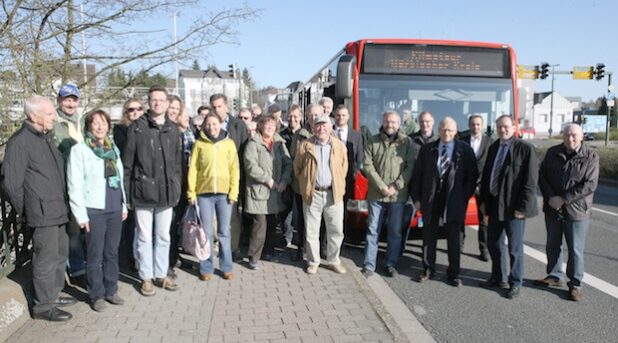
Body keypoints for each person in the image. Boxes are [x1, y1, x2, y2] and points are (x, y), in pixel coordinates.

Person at [2, 95, 76, 321]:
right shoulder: (20, 141)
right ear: (34, 116)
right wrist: (29, 210)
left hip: (58, 209)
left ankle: (52, 294)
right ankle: (43, 306)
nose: (54, 116)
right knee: (45, 259)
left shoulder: (45, 137)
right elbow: (11, 184)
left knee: (60, 254)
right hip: (42, 213)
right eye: (50, 113)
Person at [123, 85, 182, 296]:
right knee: (144, 237)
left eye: (161, 100)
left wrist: (176, 189)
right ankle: (146, 277)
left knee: (163, 236)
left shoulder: (173, 129)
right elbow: (128, 164)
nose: (157, 103)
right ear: (149, 102)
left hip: (166, 193)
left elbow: (177, 166)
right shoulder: (137, 128)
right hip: (143, 192)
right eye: (153, 99)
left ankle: (161, 273)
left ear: (167, 103)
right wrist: (127, 195)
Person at [67, 110, 128, 311]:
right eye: (96, 123)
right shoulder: (80, 150)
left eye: (104, 123)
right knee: (95, 254)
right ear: (88, 127)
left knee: (111, 252)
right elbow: (74, 184)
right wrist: (81, 215)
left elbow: (119, 179)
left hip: (114, 206)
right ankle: (96, 294)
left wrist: (124, 204)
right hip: (94, 208)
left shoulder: (113, 148)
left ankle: (111, 289)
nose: (100, 127)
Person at [536, 123, 599, 301]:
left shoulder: (590, 156)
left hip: (577, 211)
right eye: (566, 135)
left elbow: (589, 185)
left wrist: (563, 199)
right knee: (553, 244)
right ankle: (555, 276)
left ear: (581, 137)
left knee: (575, 250)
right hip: (553, 208)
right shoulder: (552, 153)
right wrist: (551, 197)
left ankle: (575, 284)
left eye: (573, 136)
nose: (569, 139)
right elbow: (542, 176)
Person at [411, 117, 477, 286]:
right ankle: (427, 269)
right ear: (438, 130)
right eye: (443, 129)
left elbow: (472, 177)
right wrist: (417, 199)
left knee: (454, 238)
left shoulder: (465, 150)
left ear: (455, 132)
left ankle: (454, 273)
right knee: (428, 237)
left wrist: (464, 197)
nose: (446, 133)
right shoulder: (427, 149)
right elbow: (417, 175)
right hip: (430, 200)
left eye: (450, 130)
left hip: (454, 201)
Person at [479, 115, 538, 299]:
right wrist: (484, 202)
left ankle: (515, 282)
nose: (502, 130)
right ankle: (498, 277)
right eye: (499, 127)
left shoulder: (525, 149)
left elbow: (530, 182)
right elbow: (488, 174)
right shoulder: (494, 147)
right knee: (494, 243)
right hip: (495, 205)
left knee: (514, 248)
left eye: (505, 126)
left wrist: (523, 208)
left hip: (514, 208)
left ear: (514, 127)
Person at [362, 111, 415, 277]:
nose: (390, 125)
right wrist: (381, 186)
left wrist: (396, 186)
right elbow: (367, 165)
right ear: (382, 122)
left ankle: (390, 263)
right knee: (372, 230)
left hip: (397, 195)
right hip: (376, 194)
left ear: (399, 124)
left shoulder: (407, 142)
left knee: (395, 231)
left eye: (393, 122)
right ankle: (369, 265)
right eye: (387, 122)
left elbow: (410, 166)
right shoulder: (373, 141)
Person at [187, 113, 240, 280]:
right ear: (204, 126)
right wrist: (191, 192)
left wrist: (233, 192)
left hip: (224, 194)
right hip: (203, 194)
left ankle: (226, 267)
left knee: (224, 232)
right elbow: (193, 170)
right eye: (208, 124)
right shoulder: (199, 144)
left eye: (215, 124)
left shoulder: (229, 144)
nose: (212, 127)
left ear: (221, 124)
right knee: (206, 232)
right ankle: (206, 268)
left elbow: (234, 169)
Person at [293, 115, 348, 274]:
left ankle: (333, 260)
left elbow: (344, 168)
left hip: (333, 194)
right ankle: (313, 261)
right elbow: (297, 168)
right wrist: (306, 183)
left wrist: (337, 183)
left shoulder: (339, 146)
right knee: (311, 230)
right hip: (313, 194)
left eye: (325, 125)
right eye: (318, 125)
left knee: (336, 229)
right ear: (314, 127)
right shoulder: (305, 145)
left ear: (330, 127)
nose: (321, 128)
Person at [243, 115, 292, 269]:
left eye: (273, 125)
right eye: (267, 125)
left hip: (276, 192)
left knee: (272, 223)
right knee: (260, 225)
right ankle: (253, 257)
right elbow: (250, 166)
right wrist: (268, 180)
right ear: (261, 127)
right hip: (259, 192)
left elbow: (288, 163)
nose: (270, 128)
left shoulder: (279, 143)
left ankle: (268, 252)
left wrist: (284, 181)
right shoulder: (253, 144)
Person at [54, 84, 87, 286]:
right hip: (63, 183)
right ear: (59, 100)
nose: (70, 103)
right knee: (71, 231)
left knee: (82, 229)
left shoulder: (83, 121)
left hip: (84, 183)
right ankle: (75, 271)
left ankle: (81, 267)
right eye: (66, 99)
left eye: (73, 99)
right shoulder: (53, 122)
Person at [209, 93, 248, 262]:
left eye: (220, 106)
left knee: (233, 216)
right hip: (213, 179)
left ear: (226, 106)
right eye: (214, 107)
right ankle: (216, 246)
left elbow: (244, 150)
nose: (217, 109)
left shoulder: (238, 125)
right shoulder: (208, 125)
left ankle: (233, 249)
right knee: (215, 218)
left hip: (232, 177)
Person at [113, 98, 144, 272]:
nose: (135, 112)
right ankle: (129, 258)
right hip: (129, 180)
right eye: (131, 110)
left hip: (145, 181)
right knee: (130, 222)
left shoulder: (148, 129)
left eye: (139, 109)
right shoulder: (121, 130)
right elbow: (124, 155)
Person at [289, 104, 322, 261]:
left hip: (322, 186)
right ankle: (301, 249)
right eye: (310, 115)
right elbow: (293, 159)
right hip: (301, 186)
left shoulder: (330, 133)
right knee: (302, 219)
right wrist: (301, 178)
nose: (313, 118)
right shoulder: (299, 135)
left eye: (316, 115)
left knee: (320, 220)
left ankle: (318, 250)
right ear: (306, 117)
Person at [459, 115, 493, 261]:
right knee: (459, 216)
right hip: (464, 184)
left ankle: (484, 249)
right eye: (473, 124)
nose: (475, 127)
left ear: (482, 125)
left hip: (482, 186)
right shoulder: (461, 141)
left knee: (483, 219)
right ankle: (458, 246)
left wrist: (481, 183)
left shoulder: (490, 142)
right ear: (469, 125)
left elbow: (491, 165)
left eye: (478, 124)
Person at [169, 106, 196, 277]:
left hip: (187, 184)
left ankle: (175, 256)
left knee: (179, 223)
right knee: (170, 226)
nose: (188, 119)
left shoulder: (189, 132)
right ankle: (169, 262)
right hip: (175, 185)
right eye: (185, 116)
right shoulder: (173, 134)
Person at [333, 104, 363, 200]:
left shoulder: (356, 135)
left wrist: (356, 172)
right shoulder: (328, 132)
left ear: (348, 116)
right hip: (332, 175)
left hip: (349, 177)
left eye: (343, 115)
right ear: (334, 116)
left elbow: (360, 156)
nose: (341, 118)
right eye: (338, 115)